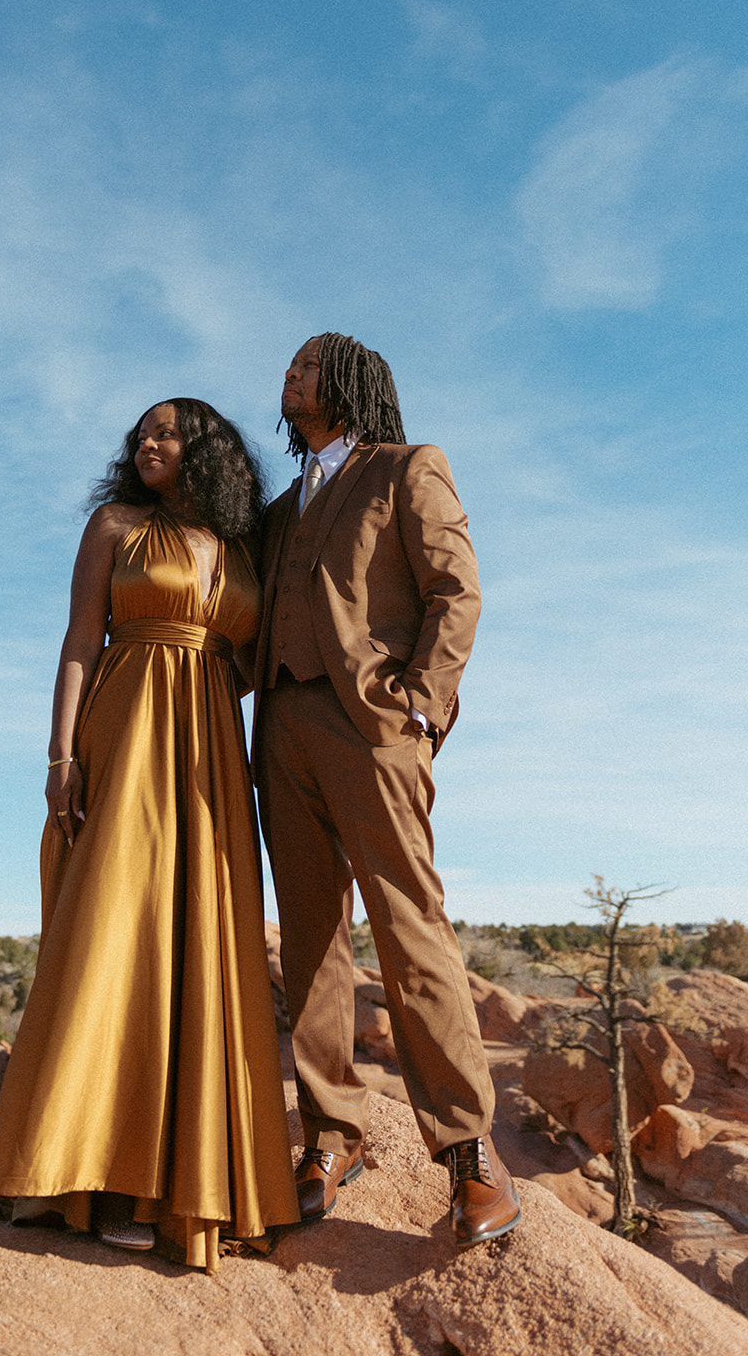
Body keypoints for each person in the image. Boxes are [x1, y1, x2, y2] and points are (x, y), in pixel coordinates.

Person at [0, 399, 299, 1272]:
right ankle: (96, 1175)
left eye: (166, 433)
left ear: (209, 452)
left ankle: (185, 1184)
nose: (146, 444)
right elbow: (80, 640)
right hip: (124, 729)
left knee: (198, 943)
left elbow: (259, 654)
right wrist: (59, 757)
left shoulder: (243, 549)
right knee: (116, 934)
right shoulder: (115, 525)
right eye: (140, 436)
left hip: (211, 753)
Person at [253, 333, 520, 1247]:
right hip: (280, 730)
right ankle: (331, 1136)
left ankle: (469, 1153)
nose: (288, 375)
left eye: (306, 365)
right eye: (287, 367)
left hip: (375, 731)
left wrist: (422, 708)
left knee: (411, 930)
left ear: (352, 383)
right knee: (313, 943)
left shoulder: (410, 468)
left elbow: (458, 591)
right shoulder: (281, 506)